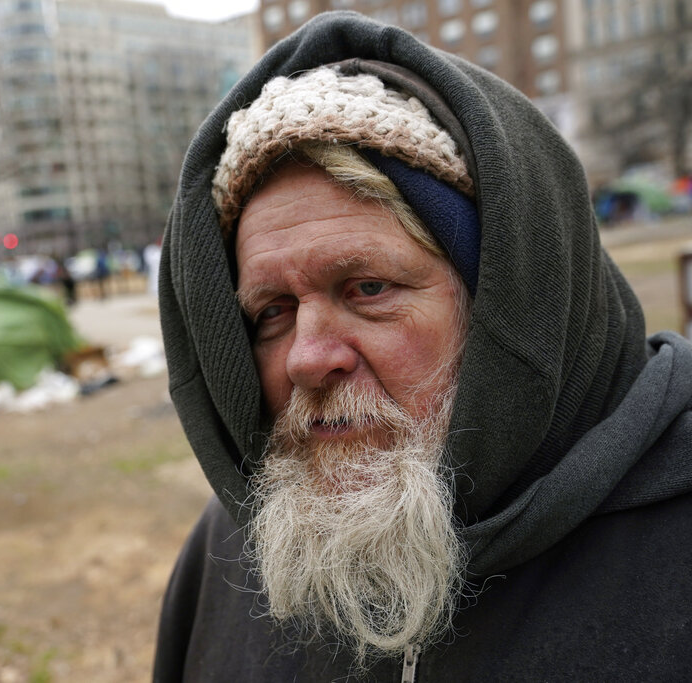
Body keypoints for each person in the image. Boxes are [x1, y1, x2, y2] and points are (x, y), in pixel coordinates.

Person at [153, 12, 692, 682]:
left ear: (507, 302)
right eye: (273, 311)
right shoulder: (230, 553)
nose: (307, 358)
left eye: (368, 287)